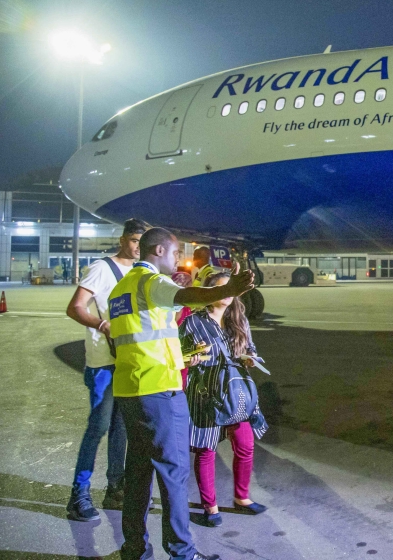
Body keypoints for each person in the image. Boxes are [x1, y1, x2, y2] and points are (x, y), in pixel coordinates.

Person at [109, 227, 253, 560]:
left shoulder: (120, 290)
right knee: (174, 473)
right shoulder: (151, 281)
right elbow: (187, 297)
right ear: (158, 251)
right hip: (160, 390)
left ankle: (134, 549)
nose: (177, 260)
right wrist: (229, 287)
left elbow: (139, 335)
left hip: (131, 389)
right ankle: (182, 552)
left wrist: (181, 355)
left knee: (139, 472)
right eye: (175, 254)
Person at [64, 218, 150, 521]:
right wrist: (102, 324)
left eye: (143, 241)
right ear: (123, 239)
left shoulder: (143, 272)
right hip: (103, 362)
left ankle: (115, 490)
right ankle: (79, 493)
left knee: (121, 429)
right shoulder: (103, 268)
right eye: (135, 240)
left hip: (128, 361)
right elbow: (75, 307)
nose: (138, 247)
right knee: (98, 426)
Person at [181, 271, 269, 527]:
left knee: (245, 444)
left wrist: (251, 358)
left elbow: (251, 349)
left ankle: (242, 498)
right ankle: (211, 507)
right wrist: (191, 358)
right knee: (206, 450)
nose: (228, 293)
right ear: (209, 292)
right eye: (222, 288)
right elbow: (180, 354)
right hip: (206, 393)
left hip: (235, 392)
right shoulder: (193, 322)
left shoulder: (239, 319)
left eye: (231, 288)